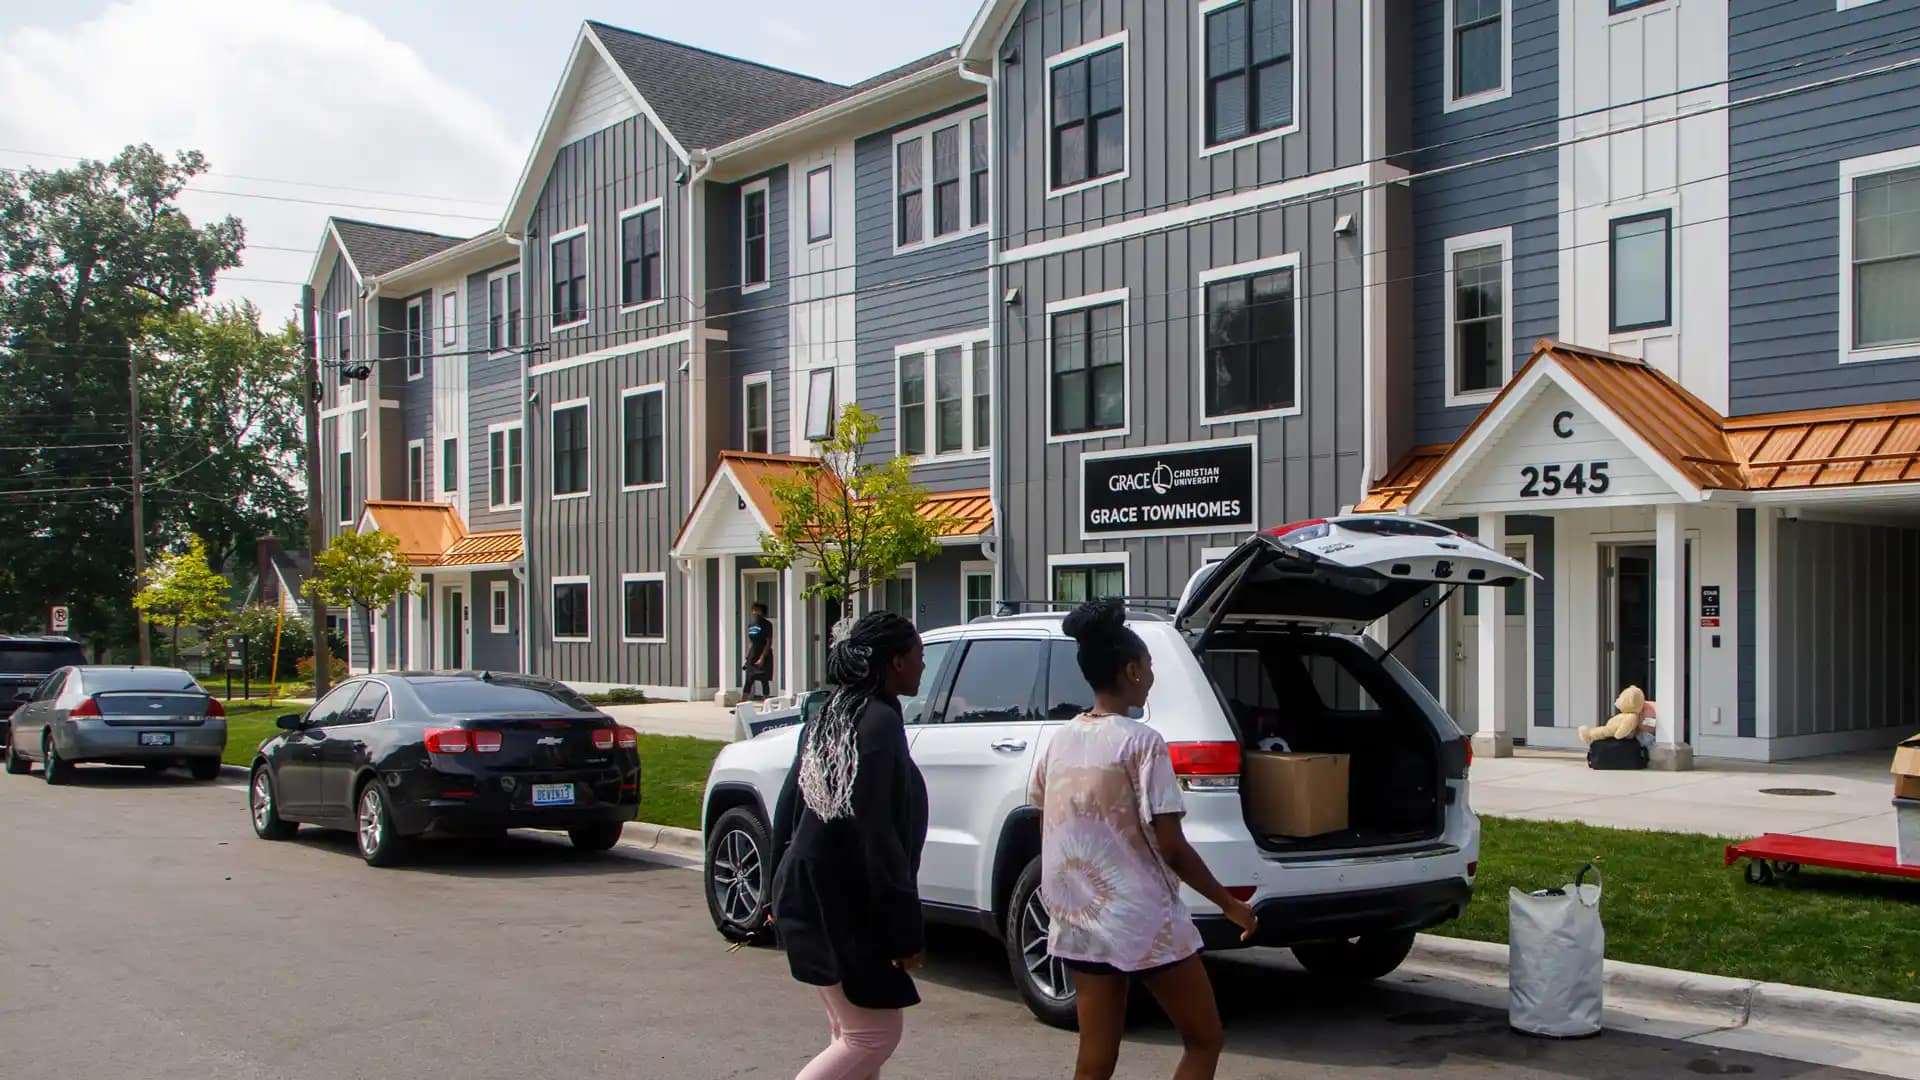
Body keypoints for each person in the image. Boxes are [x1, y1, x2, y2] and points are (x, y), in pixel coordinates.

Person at [1030, 599, 1258, 1080]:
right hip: (1140, 918)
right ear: (1132, 671)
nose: (1152, 676)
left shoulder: (1059, 739)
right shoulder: (1142, 742)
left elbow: (1045, 816)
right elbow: (1171, 845)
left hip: (1079, 917)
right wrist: (1227, 903)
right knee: (1203, 1040)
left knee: (1096, 1058)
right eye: (1150, 667)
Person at [770, 611, 928, 1080]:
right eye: (919, 657)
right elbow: (877, 836)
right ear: (895, 663)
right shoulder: (875, 722)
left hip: (813, 891)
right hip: (840, 902)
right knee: (872, 1036)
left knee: (851, 1036)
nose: (923, 666)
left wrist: (775, 888)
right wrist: (904, 931)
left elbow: (788, 810)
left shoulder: (832, 713)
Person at [743, 602, 775, 701]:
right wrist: (747, 656)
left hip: (764, 655)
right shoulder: (751, 625)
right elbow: (751, 642)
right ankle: (741, 703)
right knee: (749, 680)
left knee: (764, 680)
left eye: (758, 610)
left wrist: (762, 658)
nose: (755, 612)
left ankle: (765, 704)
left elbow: (768, 642)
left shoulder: (767, 625)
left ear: (762, 612)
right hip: (753, 655)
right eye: (754, 610)